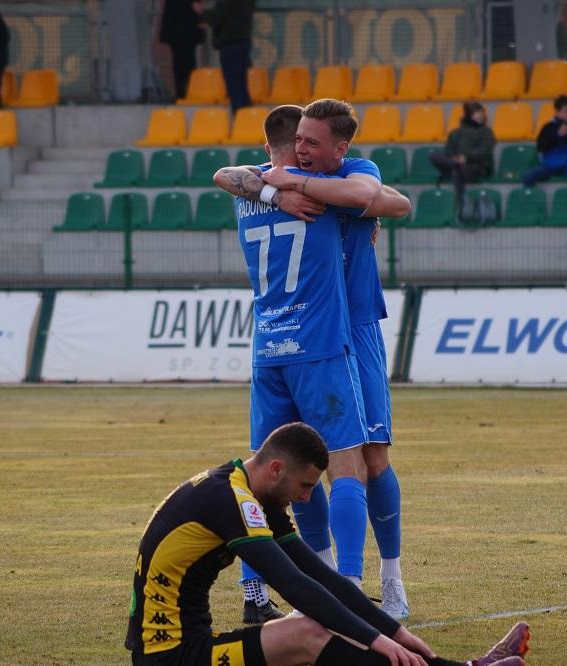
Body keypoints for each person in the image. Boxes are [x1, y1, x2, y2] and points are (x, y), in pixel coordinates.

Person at [212, 104, 411, 623]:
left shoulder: (307, 179)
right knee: (343, 464)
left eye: (312, 142)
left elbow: (390, 201)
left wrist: (275, 184)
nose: (303, 149)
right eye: (299, 140)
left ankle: (387, 579)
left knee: (355, 462)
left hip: (288, 340)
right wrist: (284, 188)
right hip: (326, 339)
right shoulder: (308, 193)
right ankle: (341, 585)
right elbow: (388, 204)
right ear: (291, 142)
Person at [124, 420, 531, 666]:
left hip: (191, 646)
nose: (306, 498)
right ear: (277, 468)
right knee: (306, 633)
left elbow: (319, 574)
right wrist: (380, 641)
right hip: (170, 658)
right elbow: (295, 586)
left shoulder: (245, 492)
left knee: (323, 626)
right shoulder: (229, 499)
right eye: (304, 486)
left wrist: (395, 632)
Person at [427, 101, 496, 223]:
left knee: (456, 172)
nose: (480, 115)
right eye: (476, 113)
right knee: (433, 155)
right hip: (456, 164)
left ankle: (461, 204)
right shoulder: (456, 132)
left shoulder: (486, 132)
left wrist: (466, 158)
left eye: (481, 112)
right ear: (469, 114)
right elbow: (448, 151)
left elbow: (485, 151)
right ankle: (456, 164)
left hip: (476, 167)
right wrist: (455, 159)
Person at [191, 0, 253, 113]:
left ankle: (239, 116)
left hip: (230, 44)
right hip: (242, 41)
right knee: (241, 83)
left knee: (234, 85)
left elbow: (216, 17)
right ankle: (245, 117)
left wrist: (202, 11)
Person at [521, 95, 567, 188]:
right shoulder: (548, 127)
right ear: (557, 112)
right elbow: (540, 147)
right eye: (566, 111)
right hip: (547, 165)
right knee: (527, 176)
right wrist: (557, 136)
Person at [160, 0, 206, 101]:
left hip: (179, 27)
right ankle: (185, 92)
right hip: (185, 27)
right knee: (185, 62)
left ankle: (184, 92)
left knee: (182, 62)